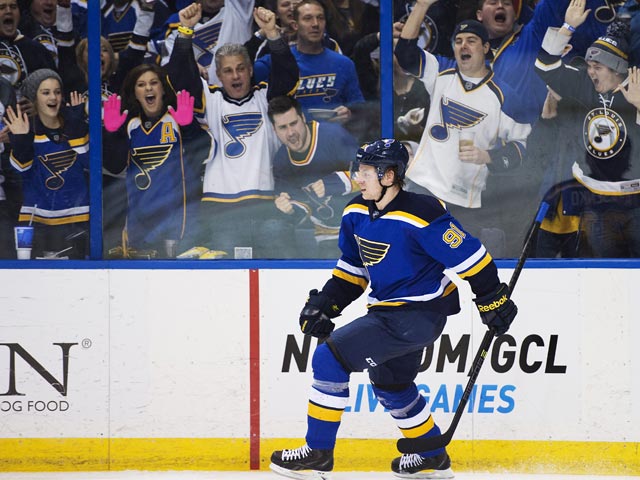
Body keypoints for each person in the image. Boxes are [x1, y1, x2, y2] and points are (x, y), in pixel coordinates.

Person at [269, 138, 518, 478]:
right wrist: (327, 304)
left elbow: (472, 258)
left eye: (366, 172)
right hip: (389, 314)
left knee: (329, 358)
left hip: (417, 315)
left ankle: (317, 453)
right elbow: (354, 270)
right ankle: (431, 456)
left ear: (389, 176)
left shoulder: (422, 213)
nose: (358, 178)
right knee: (391, 382)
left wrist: (492, 299)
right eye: (358, 170)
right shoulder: (355, 213)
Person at [165, 3, 299, 258]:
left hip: (266, 207)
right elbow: (180, 78)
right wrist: (185, 31)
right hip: (221, 210)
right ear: (218, 74)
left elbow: (288, 77)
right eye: (228, 70)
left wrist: (273, 34)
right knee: (226, 275)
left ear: (250, 70)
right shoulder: (211, 100)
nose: (235, 76)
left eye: (240, 68)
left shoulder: (265, 98)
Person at [395, 9, 532, 257]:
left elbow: (521, 149)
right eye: (458, 41)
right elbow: (405, 54)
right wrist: (422, 6)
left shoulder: (505, 97)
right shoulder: (441, 71)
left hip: (464, 200)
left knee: (460, 263)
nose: (463, 46)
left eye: (471, 40)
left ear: (486, 48)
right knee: (410, 257)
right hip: (423, 186)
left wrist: (489, 156)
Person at [535, 0, 640, 257]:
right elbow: (545, 65)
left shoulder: (636, 87)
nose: (590, 72)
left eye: (597, 67)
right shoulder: (583, 82)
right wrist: (568, 27)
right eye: (590, 66)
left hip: (635, 198)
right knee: (604, 271)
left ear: (617, 69)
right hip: (594, 200)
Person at [101, 64, 212, 259]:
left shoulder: (177, 119)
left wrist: (189, 127)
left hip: (180, 217)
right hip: (140, 220)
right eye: (141, 84)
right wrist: (111, 133)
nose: (148, 88)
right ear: (135, 93)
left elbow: (203, 152)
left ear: (163, 88)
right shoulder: (130, 124)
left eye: (154, 83)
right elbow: (114, 165)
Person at [4, 68, 89, 259]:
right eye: (46, 92)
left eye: (57, 92)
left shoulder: (73, 125)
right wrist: (21, 140)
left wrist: (77, 127)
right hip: (37, 222)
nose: (53, 97)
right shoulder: (27, 130)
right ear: (34, 97)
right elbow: (21, 171)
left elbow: (90, 164)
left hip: (77, 218)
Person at [267, 94, 359, 258]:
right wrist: (288, 207)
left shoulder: (334, 135)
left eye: (293, 124)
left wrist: (334, 184)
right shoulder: (281, 160)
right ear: (274, 130)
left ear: (303, 118)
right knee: (273, 228)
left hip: (358, 229)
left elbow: (370, 175)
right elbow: (300, 208)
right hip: (326, 234)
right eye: (283, 128)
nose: (291, 133)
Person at [253, 0, 364, 124]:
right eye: (308, 18)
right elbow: (244, 72)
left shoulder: (344, 63)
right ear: (295, 25)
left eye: (320, 18)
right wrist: (261, 34)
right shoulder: (277, 61)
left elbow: (360, 108)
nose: (315, 24)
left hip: (334, 133)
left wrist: (350, 113)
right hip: (291, 133)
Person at [152, 0, 254, 86]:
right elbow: (170, 69)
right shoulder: (177, 23)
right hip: (199, 97)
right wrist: (189, 66)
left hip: (242, 92)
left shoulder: (239, 10)